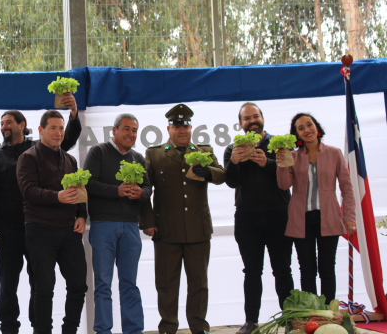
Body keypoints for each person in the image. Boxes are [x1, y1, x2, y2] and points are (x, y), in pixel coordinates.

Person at [0, 93, 82, 334]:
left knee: (39, 284)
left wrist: (72, 114)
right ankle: (9, 328)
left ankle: (37, 326)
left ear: (23, 126)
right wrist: (0, 229)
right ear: (42, 130)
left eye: (8, 122)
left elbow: (65, 139)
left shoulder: (47, 150)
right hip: (16, 229)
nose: (4, 126)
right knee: (10, 284)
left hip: (40, 228)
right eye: (1, 123)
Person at [140, 104, 225, 334]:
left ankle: (199, 326)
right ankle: (168, 326)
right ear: (168, 128)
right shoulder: (155, 153)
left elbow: (222, 174)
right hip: (166, 230)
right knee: (167, 284)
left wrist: (209, 172)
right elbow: (145, 190)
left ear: (191, 128)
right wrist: (148, 221)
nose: (182, 130)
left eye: (185, 126)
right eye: (177, 126)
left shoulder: (203, 151)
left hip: (198, 229)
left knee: (199, 283)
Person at [223, 102, 293, 334]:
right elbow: (231, 182)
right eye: (247, 118)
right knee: (251, 271)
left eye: (256, 116)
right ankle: (251, 321)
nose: (252, 121)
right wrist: (233, 162)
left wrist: (268, 163)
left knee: (282, 269)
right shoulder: (233, 148)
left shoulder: (279, 144)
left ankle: (290, 318)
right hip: (247, 217)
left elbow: (289, 176)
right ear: (241, 123)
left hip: (279, 215)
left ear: (262, 118)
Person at [16, 110, 88, 334]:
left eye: (61, 128)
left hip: (69, 230)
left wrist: (81, 215)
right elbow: (28, 191)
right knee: (44, 288)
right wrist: (57, 196)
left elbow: (79, 191)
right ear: (41, 130)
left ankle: (70, 330)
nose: (58, 133)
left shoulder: (70, 159)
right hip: (40, 229)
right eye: (53, 128)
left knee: (78, 285)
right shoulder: (28, 157)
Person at [83, 113, 152, 334]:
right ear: (114, 131)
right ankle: (103, 330)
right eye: (126, 129)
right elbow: (89, 183)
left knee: (129, 283)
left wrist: (140, 192)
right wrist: (117, 191)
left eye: (134, 130)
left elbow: (149, 189)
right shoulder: (98, 152)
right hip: (103, 225)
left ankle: (134, 330)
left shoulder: (138, 158)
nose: (130, 134)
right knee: (103, 283)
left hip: (131, 227)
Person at [276, 113, 356, 304]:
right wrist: (281, 163)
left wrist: (349, 217)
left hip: (328, 217)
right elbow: (284, 185)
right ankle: (311, 313)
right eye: (301, 128)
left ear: (317, 127)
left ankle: (328, 313)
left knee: (327, 268)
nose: (306, 130)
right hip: (301, 219)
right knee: (307, 269)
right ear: (297, 135)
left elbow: (347, 187)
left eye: (309, 125)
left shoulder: (334, 153)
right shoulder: (293, 156)